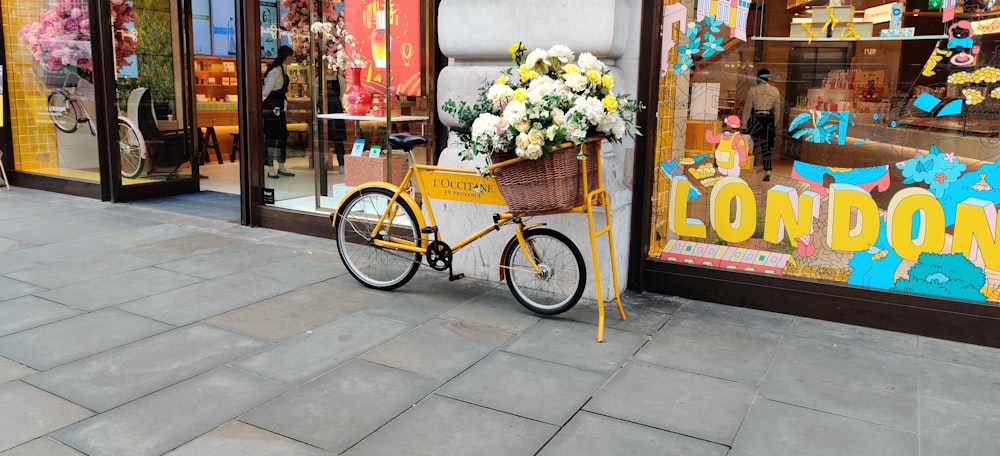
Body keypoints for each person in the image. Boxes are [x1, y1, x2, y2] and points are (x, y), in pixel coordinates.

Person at [742, 68, 782, 182]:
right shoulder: (775, 91)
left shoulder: (752, 90)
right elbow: (777, 110)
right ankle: (767, 170)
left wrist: (744, 124)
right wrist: (774, 123)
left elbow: (747, 109)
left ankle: (751, 167)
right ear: (768, 78)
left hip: (755, 118)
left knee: (752, 144)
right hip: (768, 119)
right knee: (766, 147)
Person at [262, 45, 295, 178]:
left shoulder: (283, 69)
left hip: (279, 106)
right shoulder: (276, 71)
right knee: (271, 137)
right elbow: (265, 91)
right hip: (271, 107)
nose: (293, 59)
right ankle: (270, 167)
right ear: (287, 57)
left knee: (282, 136)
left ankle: (281, 165)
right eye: (292, 56)